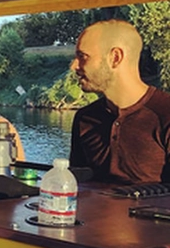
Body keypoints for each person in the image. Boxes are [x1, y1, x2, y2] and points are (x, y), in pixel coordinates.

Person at [69, 19, 170, 184]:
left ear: (115, 57)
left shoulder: (166, 114)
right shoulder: (84, 118)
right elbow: (76, 188)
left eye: (83, 56)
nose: (74, 66)